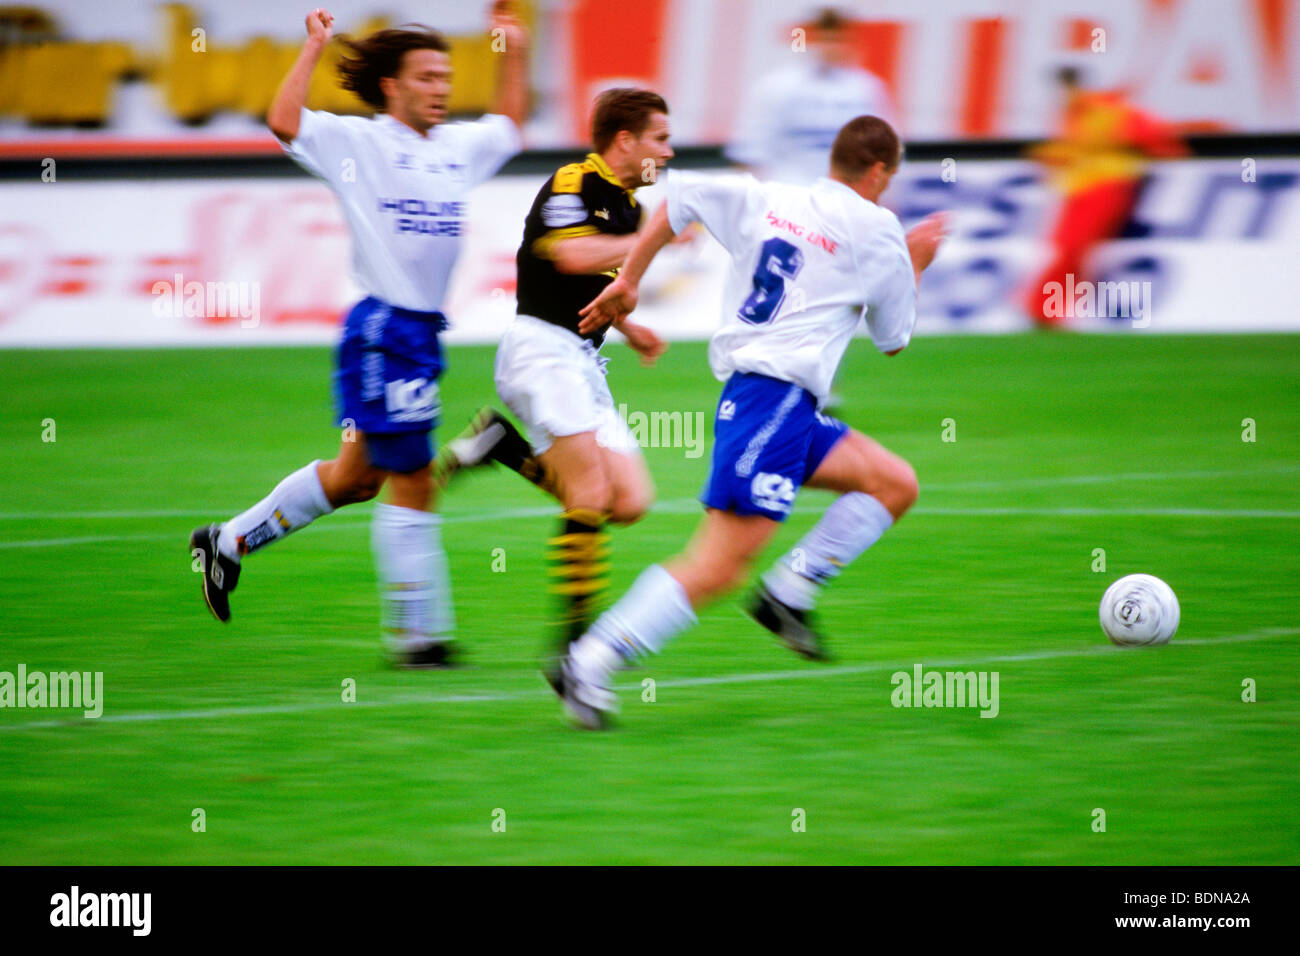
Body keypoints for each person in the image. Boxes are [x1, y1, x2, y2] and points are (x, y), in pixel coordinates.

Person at [552, 115, 946, 729]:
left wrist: (629, 280)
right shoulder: (880, 230)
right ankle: (593, 659)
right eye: (888, 178)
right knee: (718, 565)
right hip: (773, 403)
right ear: (878, 173)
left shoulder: (770, 195)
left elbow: (676, 199)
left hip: (781, 405)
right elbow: (893, 339)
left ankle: (789, 592)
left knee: (894, 483)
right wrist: (916, 261)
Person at [188, 6, 528, 669]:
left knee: (355, 478)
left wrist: (513, 53)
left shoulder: (456, 148)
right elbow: (285, 122)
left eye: (447, 76)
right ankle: (416, 638)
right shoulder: (360, 143)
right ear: (392, 86)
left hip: (419, 336)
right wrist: (314, 47)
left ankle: (226, 542)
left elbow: (510, 124)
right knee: (412, 480)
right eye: (427, 76)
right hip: (382, 334)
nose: (441, 88)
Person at [489, 88, 672, 654]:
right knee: (588, 490)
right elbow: (569, 257)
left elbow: (599, 288)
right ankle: (573, 647)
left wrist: (628, 324)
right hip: (541, 348)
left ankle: (501, 445)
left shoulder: (631, 208)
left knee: (631, 502)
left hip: (582, 360)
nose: (667, 152)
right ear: (625, 140)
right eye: (659, 139)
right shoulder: (574, 181)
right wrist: (652, 238)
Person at [1024, 67, 1185, 326]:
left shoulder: (1106, 110)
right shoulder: (1073, 115)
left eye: (1066, 88)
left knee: (1074, 250)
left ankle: (1043, 310)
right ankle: (1043, 309)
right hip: (1079, 189)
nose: (1063, 94)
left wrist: (1142, 153)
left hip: (1107, 187)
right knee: (1065, 249)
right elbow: (1077, 150)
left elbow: (1156, 136)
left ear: (1074, 85)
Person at [726, 7, 897, 185]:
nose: (831, 47)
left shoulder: (868, 88)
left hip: (848, 198)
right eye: (825, 38)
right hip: (789, 196)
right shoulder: (776, 87)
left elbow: (886, 152)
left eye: (838, 39)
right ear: (810, 38)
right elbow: (750, 152)